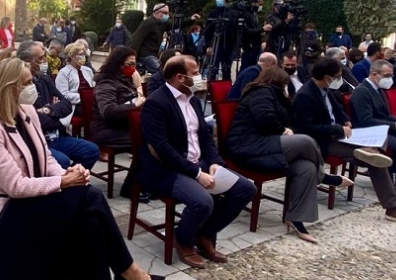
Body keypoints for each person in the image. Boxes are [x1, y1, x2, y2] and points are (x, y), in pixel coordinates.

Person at [0, 58, 164, 280]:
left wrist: (68, 173)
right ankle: (131, 272)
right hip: (8, 211)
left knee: (91, 223)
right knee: (90, 195)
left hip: (36, 201)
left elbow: (46, 157)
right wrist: (63, 182)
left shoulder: (27, 113)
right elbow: (15, 186)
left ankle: (126, 273)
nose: (32, 87)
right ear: (9, 87)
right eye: (26, 83)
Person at [140, 55, 255, 267]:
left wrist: (214, 162)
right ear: (180, 77)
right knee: (203, 201)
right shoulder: (156, 103)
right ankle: (183, 240)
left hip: (197, 163)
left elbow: (205, 136)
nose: (200, 77)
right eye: (195, 74)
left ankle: (204, 234)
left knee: (245, 188)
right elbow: (162, 150)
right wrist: (196, 174)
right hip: (165, 170)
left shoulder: (192, 99)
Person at [293, 58, 396, 227]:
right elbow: (308, 128)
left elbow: (338, 111)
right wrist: (338, 130)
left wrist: (346, 120)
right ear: (327, 77)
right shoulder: (305, 96)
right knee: (374, 158)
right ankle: (393, 207)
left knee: (375, 156)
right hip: (322, 143)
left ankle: (392, 204)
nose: (340, 80)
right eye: (337, 76)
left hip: (342, 136)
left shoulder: (325, 90)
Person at [226, 66, 353, 243]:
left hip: (267, 145)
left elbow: (290, 121)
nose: (287, 87)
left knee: (306, 168)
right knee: (306, 141)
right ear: (278, 82)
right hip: (248, 144)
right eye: (285, 84)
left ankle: (296, 219)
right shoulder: (261, 93)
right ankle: (325, 178)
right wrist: (283, 130)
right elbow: (265, 117)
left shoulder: (279, 97)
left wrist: (289, 126)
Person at [17, 41, 100, 170]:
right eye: (40, 58)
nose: (45, 60)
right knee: (62, 161)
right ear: (28, 61)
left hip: (56, 135)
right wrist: (54, 113)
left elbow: (65, 103)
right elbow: (34, 120)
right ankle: (63, 182)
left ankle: (69, 181)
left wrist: (47, 110)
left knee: (91, 151)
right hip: (35, 139)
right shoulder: (19, 85)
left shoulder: (44, 78)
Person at [91, 46, 150, 202]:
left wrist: (138, 88)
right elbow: (109, 112)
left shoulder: (125, 79)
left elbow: (139, 101)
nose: (133, 68)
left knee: (156, 136)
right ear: (118, 64)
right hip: (107, 130)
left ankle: (145, 181)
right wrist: (136, 103)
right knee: (146, 143)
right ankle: (130, 187)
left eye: (135, 64)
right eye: (130, 64)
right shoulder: (106, 83)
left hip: (124, 127)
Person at [132, 3, 199, 75]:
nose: (167, 15)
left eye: (168, 13)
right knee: (160, 72)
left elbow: (175, 24)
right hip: (146, 54)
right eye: (165, 13)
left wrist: (191, 19)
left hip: (154, 54)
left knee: (161, 70)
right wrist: (133, 56)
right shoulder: (148, 23)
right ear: (156, 12)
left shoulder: (162, 23)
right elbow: (137, 40)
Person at [56, 41, 95, 118]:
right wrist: (84, 97)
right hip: (74, 105)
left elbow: (94, 87)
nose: (83, 57)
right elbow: (64, 95)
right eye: (80, 54)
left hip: (90, 101)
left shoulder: (87, 70)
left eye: (84, 54)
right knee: (94, 111)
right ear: (71, 56)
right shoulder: (63, 73)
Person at [202, 0, 236, 80]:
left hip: (228, 45)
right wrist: (208, 45)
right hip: (215, 45)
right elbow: (208, 31)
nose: (219, 0)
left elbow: (234, 30)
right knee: (213, 69)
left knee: (226, 70)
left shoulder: (232, 13)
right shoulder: (213, 13)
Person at [241, 0, 272, 70]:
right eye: (259, 4)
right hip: (249, 45)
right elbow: (247, 30)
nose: (260, 6)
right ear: (254, 3)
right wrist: (262, 29)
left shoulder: (254, 14)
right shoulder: (246, 14)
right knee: (247, 66)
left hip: (256, 45)